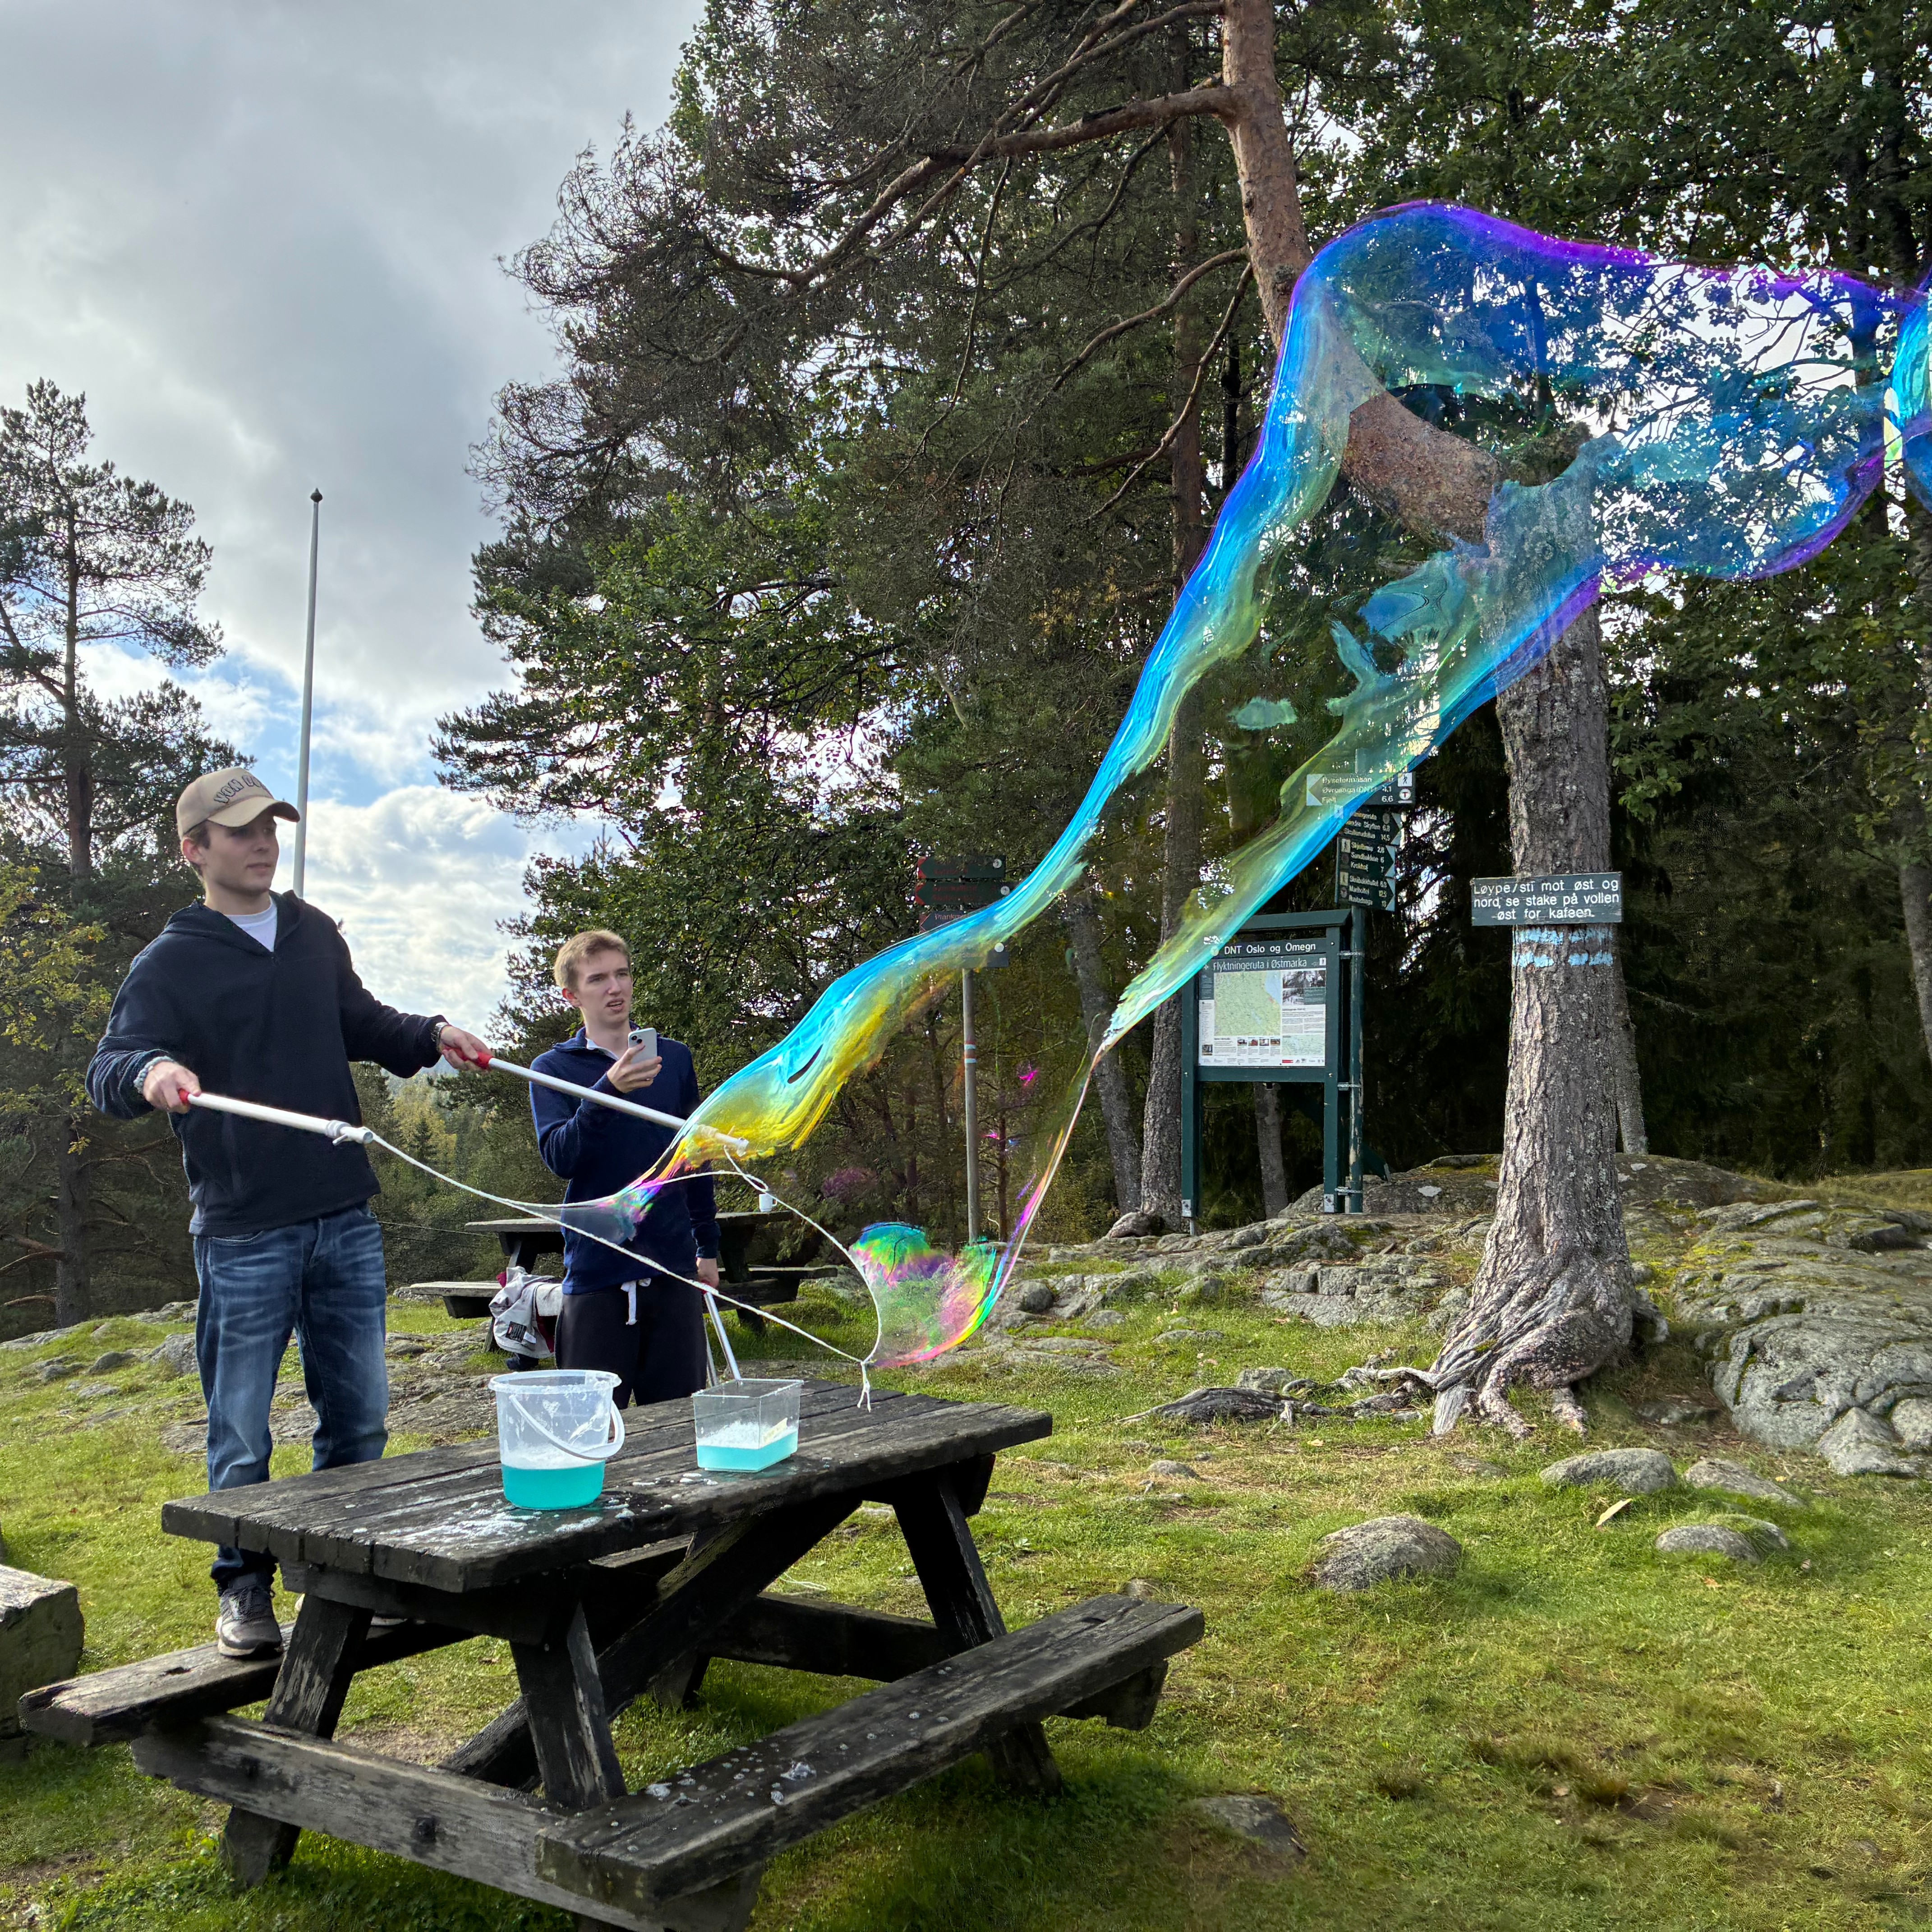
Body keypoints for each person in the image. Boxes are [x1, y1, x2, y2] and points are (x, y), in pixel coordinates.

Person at [85, 768, 488, 1659]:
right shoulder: (172, 960)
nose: (262, 840)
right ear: (195, 850)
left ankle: (345, 1579)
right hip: (244, 1230)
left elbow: (362, 1022)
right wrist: (151, 1073)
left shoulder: (311, 935)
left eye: (269, 824)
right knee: (240, 1428)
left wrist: (431, 1032)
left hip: (344, 1214)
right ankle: (243, 1591)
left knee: (361, 1418)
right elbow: (111, 1065)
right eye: (238, 831)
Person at [530, 929, 719, 1406]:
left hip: (672, 1267)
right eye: (598, 979)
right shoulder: (550, 1069)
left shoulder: (673, 1059)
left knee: (678, 1426)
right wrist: (609, 1090)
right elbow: (561, 1157)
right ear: (572, 995)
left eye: (622, 974)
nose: (615, 988)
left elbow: (693, 1157)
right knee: (590, 1427)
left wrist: (709, 1248)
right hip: (597, 1270)